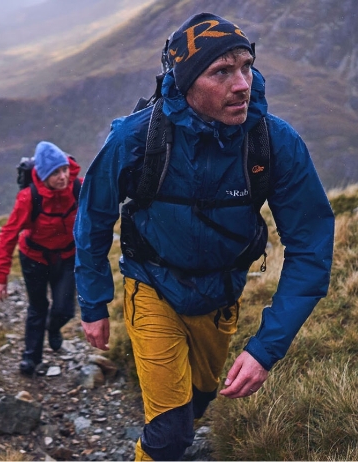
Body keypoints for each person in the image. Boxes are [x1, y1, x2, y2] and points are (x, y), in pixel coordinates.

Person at [73, 12, 334, 461]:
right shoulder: (136, 139)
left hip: (221, 293)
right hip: (151, 284)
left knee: (197, 402)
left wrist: (265, 350)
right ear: (187, 83)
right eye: (222, 72)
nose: (242, 84)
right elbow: (93, 219)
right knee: (171, 435)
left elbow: (311, 248)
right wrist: (94, 304)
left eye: (246, 66)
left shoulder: (274, 143)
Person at [0, 141, 82, 376]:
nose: (62, 177)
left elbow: (96, 215)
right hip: (34, 259)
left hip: (67, 257)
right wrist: (0, 277)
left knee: (65, 310)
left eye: (64, 170)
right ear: (43, 176)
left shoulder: (77, 188)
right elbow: (8, 235)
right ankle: (30, 358)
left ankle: (54, 329)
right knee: (37, 307)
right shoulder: (28, 198)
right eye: (55, 173)